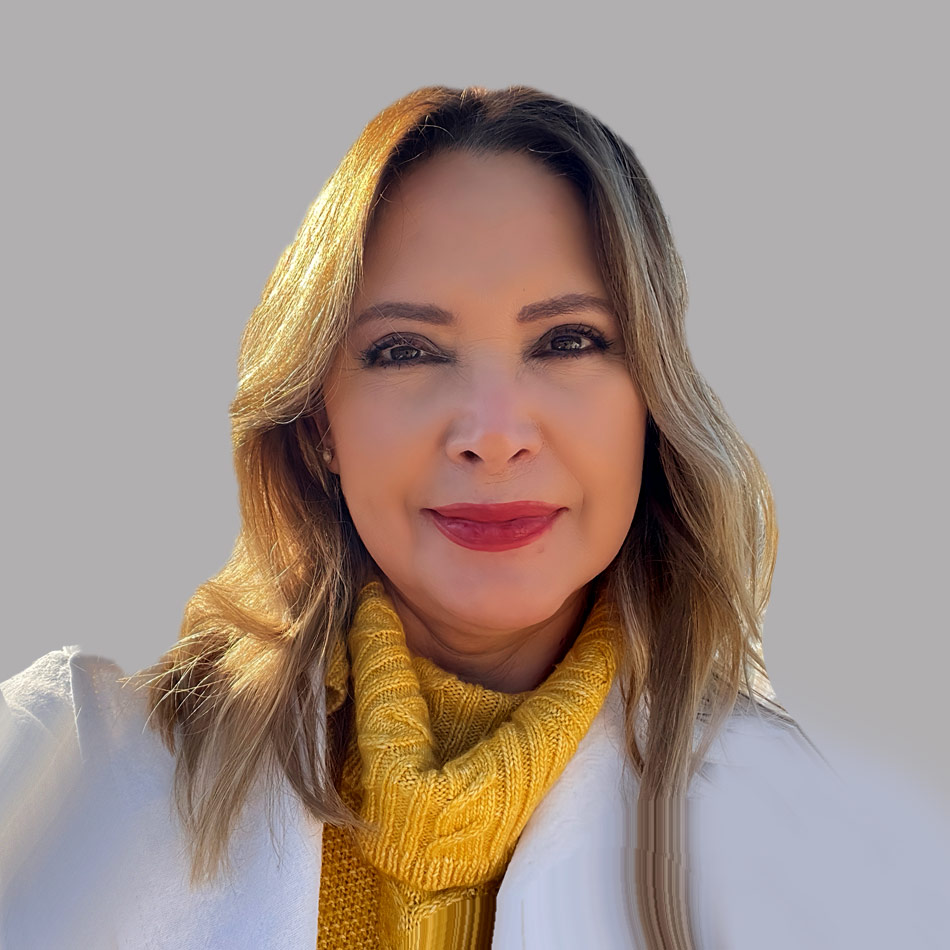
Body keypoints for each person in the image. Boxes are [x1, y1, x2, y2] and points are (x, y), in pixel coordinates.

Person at [0, 85, 945, 950]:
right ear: (319, 424)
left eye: (567, 341)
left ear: (653, 407)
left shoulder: (820, 854)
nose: (493, 436)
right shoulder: (65, 783)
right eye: (407, 350)